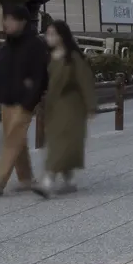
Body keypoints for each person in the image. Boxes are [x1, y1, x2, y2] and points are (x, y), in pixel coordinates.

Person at [0, 4, 50, 197]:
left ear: (23, 22)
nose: (6, 23)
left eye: (11, 19)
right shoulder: (5, 47)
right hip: (6, 101)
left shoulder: (36, 45)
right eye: (5, 19)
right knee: (17, 142)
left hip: (25, 103)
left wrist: (31, 101)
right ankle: (26, 179)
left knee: (11, 141)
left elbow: (40, 77)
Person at [39, 19, 96, 195]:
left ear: (62, 36)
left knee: (60, 143)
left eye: (53, 34)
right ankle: (68, 179)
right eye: (47, 34)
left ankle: (48, 180)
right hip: (54, 106)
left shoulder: (74, 58)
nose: (49, 38)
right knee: (59, 142)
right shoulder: (49, 57)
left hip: (71, 106)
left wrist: (91, 106)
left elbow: (85, 82)